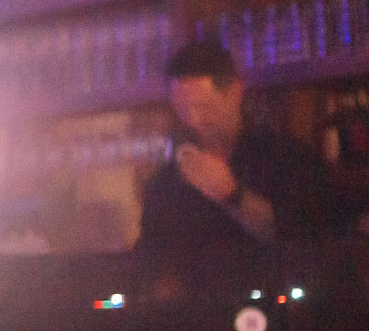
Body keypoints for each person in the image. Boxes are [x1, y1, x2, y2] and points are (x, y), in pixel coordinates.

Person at [138, 40, 348, 257]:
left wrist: (232, 195)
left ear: (235, 93)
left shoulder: (287, 159)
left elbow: (308, 242)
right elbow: (149, 258)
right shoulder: (168, 180)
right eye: (182, 109)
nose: (192, 120)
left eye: (203, 106)